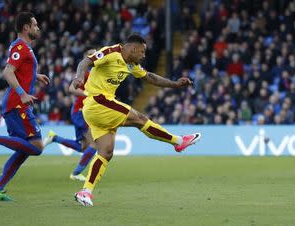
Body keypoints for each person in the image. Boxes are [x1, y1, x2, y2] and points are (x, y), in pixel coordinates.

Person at [72, 34, 201, 206]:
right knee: (139, 119)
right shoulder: (111, 52)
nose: (144, 55)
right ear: (133, 48)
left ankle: (85, 191)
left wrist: (174, 84)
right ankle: (178, 141)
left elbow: (150, 77)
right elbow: (85, 62)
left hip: (97, 110)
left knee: (106, 152)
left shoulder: (132, 65)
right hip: (98, 102)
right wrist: (79, 77)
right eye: (142, 52)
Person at [0, 12, 50, 201]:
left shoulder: (23, 48)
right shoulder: (21, 47)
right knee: (36, 147)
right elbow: (8, 72)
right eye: (35, 25)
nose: (38, 28)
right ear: (26, 28)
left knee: (24, 150)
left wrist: (36, 75)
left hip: (17, 104)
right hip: (17, 104)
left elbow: (19, 69)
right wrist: (22, 93)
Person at [43, 49, 98, 182]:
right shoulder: (84, 73)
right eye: (92, 54)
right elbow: (71, 88)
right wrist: (87, 94)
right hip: (80, 112)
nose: (95, 56)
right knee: (95, 144)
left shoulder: (94, 74)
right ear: (87, 58)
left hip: (84, 113)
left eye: (96, 54)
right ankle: (76, 173)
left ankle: (54, 138)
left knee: (83, 147)